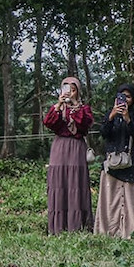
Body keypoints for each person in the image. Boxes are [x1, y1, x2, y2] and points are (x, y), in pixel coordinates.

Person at [94, 83, 134, 242]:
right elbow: (103, 133)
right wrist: (111, 116)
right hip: (112, 163)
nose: (124, 99)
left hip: (131, 163)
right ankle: (110, 230)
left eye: (128, 96)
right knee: (110, 200)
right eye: (121, 96)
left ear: (133, 99)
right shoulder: (111, 114)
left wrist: (127, 118)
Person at [44, 75, 94, 234]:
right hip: (60, 148)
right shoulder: (58, 108)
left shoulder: (84, 109)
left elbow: (84, 125)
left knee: (76, 183)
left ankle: (78, 224)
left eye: (73, 90)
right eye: (67, 90)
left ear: (78, 92)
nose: (70, 93)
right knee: (59, 183)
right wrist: (59, 104)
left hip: (76, 147)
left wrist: (75, 106)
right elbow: (49, 123)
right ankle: (58, 226)